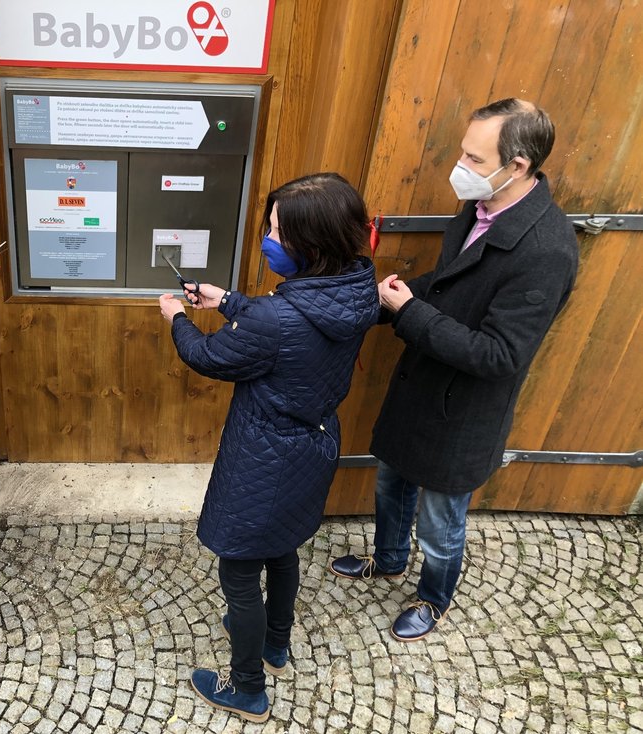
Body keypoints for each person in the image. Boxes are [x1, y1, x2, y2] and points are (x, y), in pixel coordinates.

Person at [330, 98, 579, 641]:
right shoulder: (477, 210)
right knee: (391, 483)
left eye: (473, 156)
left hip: (462, 412)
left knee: (441, 524)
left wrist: (408, 311)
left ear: (516, 165)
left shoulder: (546, 251)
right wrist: (386, 299)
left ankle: (433, 597)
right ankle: (390, 559)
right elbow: (449, 286)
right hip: (421, 384)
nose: (460, 166)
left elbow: (500, 355)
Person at [158, 173, 379, 722]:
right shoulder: (357, 287)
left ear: (312, 243)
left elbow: (209, 357)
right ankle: (276, 644)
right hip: (315, 444)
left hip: (264, 456)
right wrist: (230, 299)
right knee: (282, 550)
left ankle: (247, 687)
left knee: (237, 571)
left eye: (278, 231)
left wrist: (178, 318)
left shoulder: (275, 317)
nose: (268, 238)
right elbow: (293, 320)